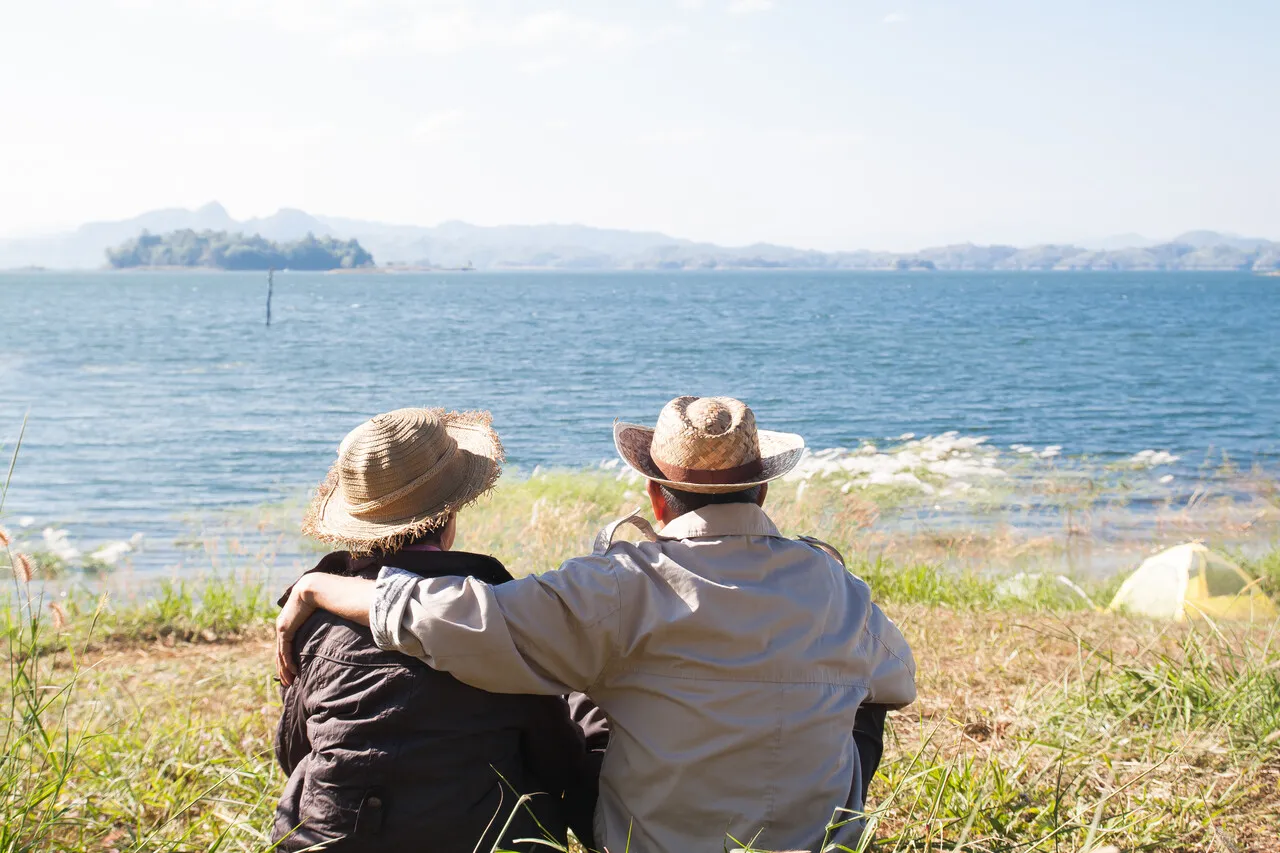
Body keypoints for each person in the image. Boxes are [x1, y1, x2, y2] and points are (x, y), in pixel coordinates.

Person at [278, 396, 917, 853]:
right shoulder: (839, 586)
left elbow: (457, 618)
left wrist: (321, 584)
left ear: (656, 496)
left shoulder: (618, 583)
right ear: (763, 493)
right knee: (864, 699)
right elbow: (897, 682)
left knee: (573, 663)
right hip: (819, 838)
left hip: (654, 840)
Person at [272, 407, 594, 852]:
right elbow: (558, 761)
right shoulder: (496, 613)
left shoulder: (315, 621)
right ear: (451, 515)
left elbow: (292, 751)